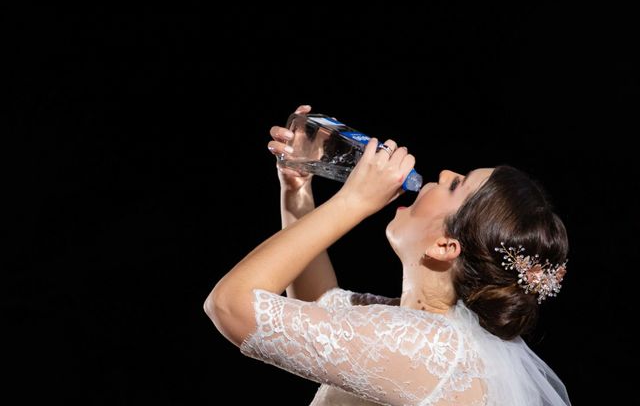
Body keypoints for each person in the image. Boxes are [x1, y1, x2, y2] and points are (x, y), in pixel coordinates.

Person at [204, 105, 571, 406]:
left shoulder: (430, 346)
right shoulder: (433, 336)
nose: (444, 172)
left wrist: (355, 200)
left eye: (457, 185)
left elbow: (228, 305)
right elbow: (320, 305)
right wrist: (297, 192)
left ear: (445, 246)